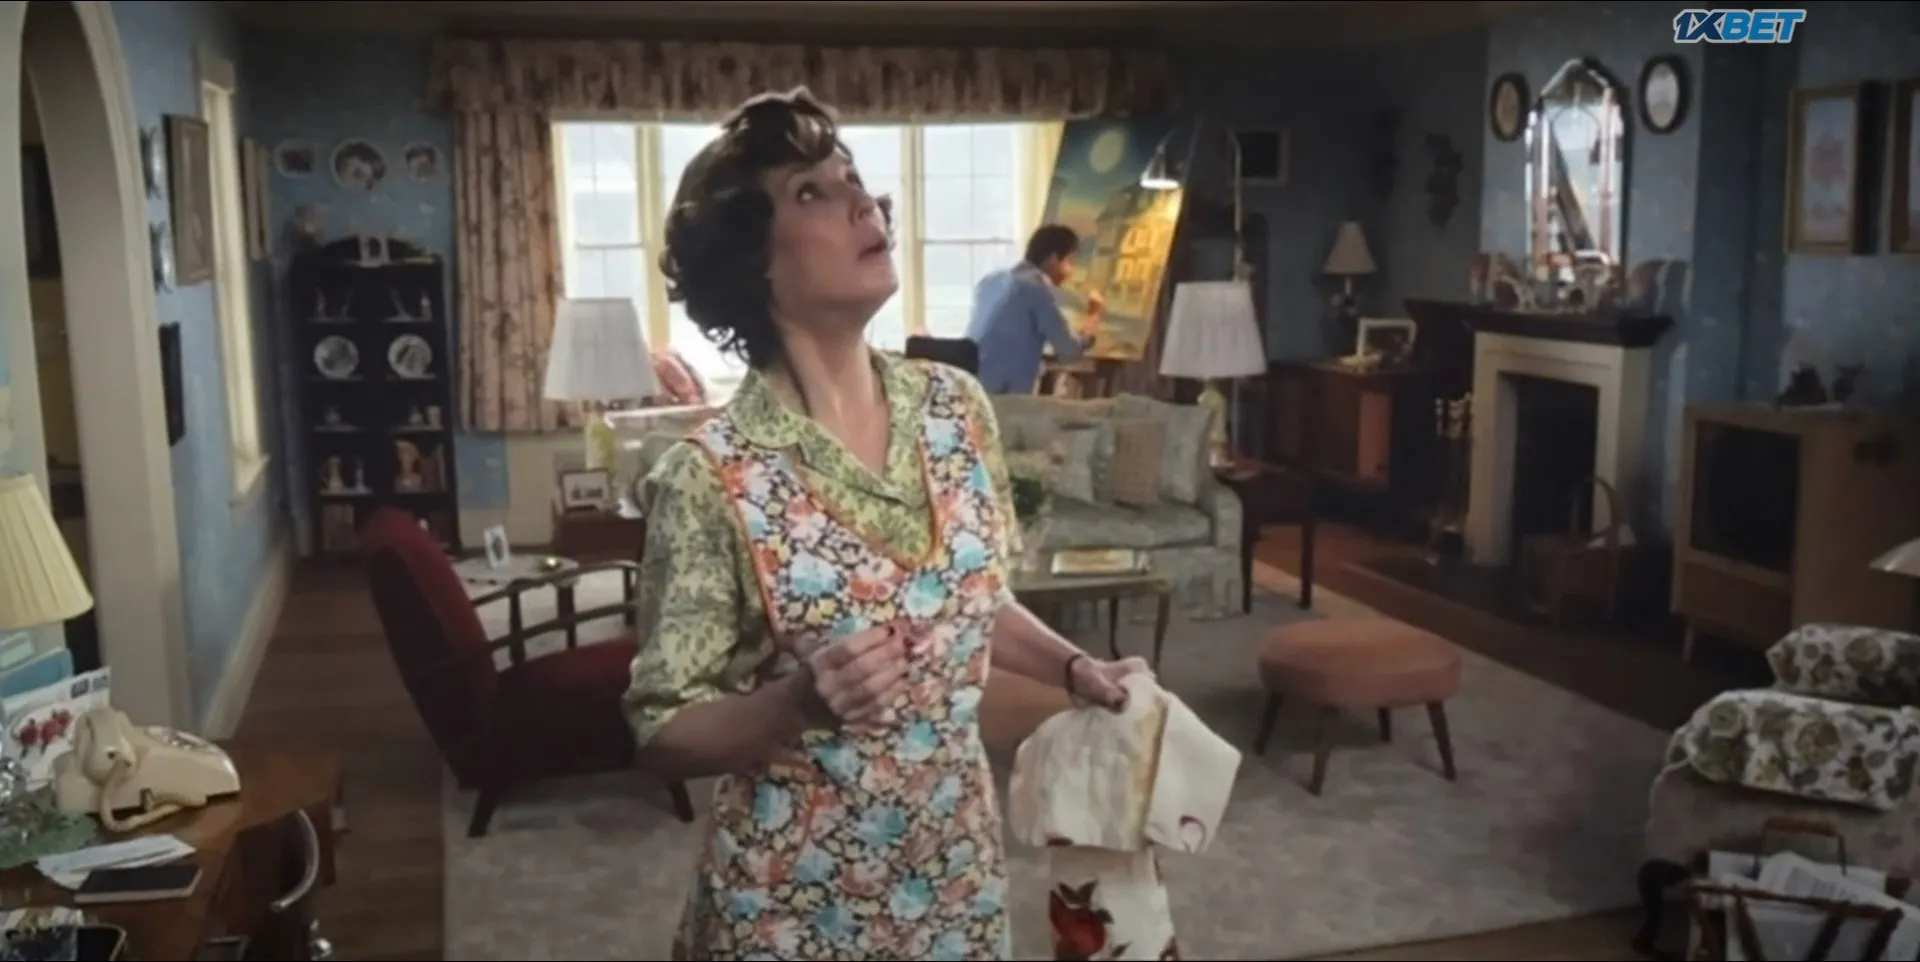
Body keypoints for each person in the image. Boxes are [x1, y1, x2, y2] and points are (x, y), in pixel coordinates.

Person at [623, 87, 1150, 962]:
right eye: (811, 192)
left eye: (853, 179)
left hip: (956, 877)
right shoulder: (712, 478)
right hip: (789, 905)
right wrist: (793, 703)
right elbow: (660, 730)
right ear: (753, 261)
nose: (863, 202)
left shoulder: (957, 408)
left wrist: (1073, 667)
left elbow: (969, 602)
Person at [965, 224, 1096, 394]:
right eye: (1069, 262)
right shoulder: (1037, 287)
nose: (1070, 272)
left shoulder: (991, 280)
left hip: (971, 389)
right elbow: (1069, 351)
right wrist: (1091, 321)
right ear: (1053, 259)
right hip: (1007, 396)